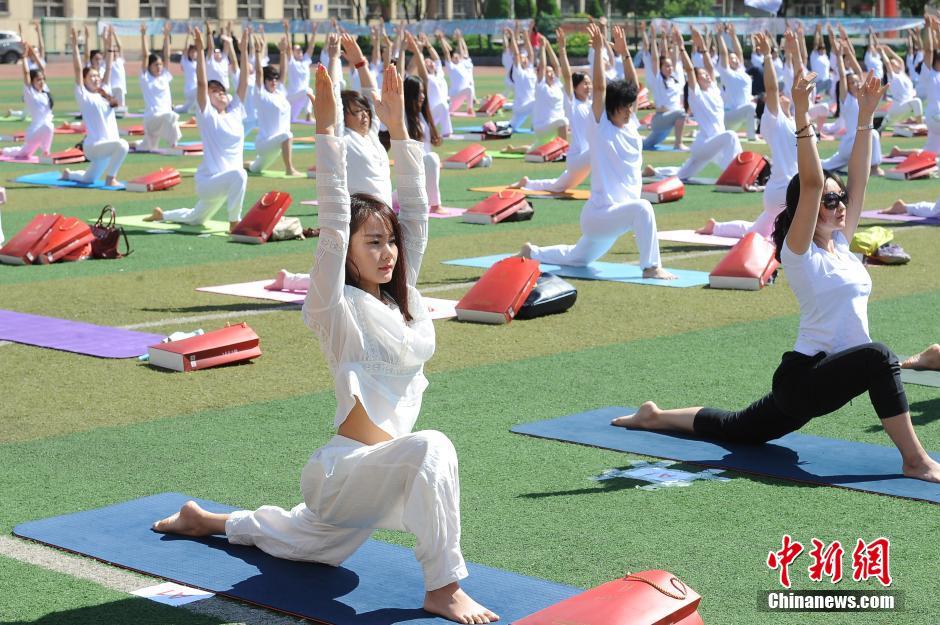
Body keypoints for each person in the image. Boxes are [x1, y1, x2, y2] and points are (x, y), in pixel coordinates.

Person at [154, 63, 500, 625]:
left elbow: (413, 209)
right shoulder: (332, 308)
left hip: (384, 473)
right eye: (374, 243)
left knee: (305, 545)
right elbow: (337, 218)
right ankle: (444, 587)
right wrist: (326, 132)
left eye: (391, 243)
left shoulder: (402, 293)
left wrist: (402, 128)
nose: (388, 252)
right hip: (347, 472)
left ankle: (206, 519)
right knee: (435, 445)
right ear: (347, 251)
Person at [612, 69, 940, 485]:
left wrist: (865, 118)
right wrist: (800, 114)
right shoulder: (799, 253)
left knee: (735, 428)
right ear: (807, 208)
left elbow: (859, 176)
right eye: (830, 200)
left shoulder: (841, 244)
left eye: (842, 200)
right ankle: (915, 460)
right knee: (879, 357)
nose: (841, 205)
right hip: (803, 379)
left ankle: (654, 415)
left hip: (826, 378)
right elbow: (813, 181)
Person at [520, 25, 675, 281]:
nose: (628, 111)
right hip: (601, 214)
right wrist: (599, 50)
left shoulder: (631, 125)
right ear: (611, 108)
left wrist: (625, 54)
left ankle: (532, 250)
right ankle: (651, 267)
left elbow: (633, 87)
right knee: (644, 208)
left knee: (578, 259)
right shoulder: (601, 127)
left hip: (613, 217)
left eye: (629, 107)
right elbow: (601, 90)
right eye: (623, 107)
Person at [144, 28, 249, 232]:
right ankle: (235, 222)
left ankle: (162, 214)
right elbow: (201, 84)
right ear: (207, 98)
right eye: (215, 92)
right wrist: (200, 49)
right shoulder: (208, 115)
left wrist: (243, 51)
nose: (220, 94)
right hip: (209, 183)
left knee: (195, 218)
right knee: (241, 175)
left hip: (224, 183)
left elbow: (244, 82)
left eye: (222, 91)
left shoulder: (236, 112)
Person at [696, 31, 798, 239]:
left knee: (757, 232)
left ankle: (715, 227)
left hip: (784, 191)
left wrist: (793, 51)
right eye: (778, 96)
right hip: (786, 191)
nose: (782, 95)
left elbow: (799, 81)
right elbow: (771, 87)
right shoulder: (774, 121)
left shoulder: (796, 121)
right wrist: (768, 56)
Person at [647, 26, 742, 183]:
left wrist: (704, 47)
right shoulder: (696, 94)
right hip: (705, 145)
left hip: (715, 144)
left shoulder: (714, 90)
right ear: (696, 81)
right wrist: (682, 48)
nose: (708, 76)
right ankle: (738, 175)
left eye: (707, 74)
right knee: (731, 136)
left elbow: (710, 67)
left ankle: (655, 171)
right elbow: (690, 70)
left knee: (682, 175)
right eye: (703, 75)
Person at [509, 27, 592, 194]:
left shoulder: (591, 103)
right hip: (578, 155)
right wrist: (560, 49)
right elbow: (566, 75)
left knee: (559, 186)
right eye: (585, 84)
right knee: (601, 150)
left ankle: (528, 182)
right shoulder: (572, 102)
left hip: (583, 157)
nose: (588, 86)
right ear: (574, 88)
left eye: (589, 83)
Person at [60, 27, 127, 188]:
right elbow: (77, 69)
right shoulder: (83, 95)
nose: (96, 78)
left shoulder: (105, 92)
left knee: (88, 179)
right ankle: (111, 179)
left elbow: (109, 67)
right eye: (92, 76)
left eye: (97, 75)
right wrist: (75, 46)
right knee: (123, 145)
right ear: (84, 79)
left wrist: (109, 44)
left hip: (106, 147)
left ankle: (68, 174)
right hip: (94, 147)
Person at [820, 38, 883, 177]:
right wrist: (838, 56)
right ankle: (874, 169)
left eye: (856, 81)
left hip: (859, 141)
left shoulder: (863, 97)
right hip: (850, 144)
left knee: (825, 165)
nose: (855, 84)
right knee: (873, 133)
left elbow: (859, 71)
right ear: (847, 86)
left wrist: (848, 50)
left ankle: (810, 163)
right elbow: (843, 76)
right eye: (852, 83)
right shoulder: (847, 99)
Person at [399, 32, 443, 215]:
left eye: (423, 93)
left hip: (423, 178)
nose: (423, 96)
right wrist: (401, 50)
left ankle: (433, 202)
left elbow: (424, 78)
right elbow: (399, 79)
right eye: (419, 93)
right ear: (410, 96)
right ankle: (436, 205)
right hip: (411, 178)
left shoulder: (425, 113)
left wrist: (417, 49)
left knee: (432, 159)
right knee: (432, 158)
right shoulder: (402, 115)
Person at [248, 31, 300, 176]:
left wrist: (283, 52)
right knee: (287, 135)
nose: (274, 81)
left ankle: (241, 164)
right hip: (265, 143)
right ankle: (290, 169)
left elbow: (283, 71)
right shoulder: (261, 95)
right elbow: (258, 73)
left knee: (255, 168)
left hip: (276, 145)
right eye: (270, 79)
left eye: (275, 79)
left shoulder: (280, 92)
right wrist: (258, 52)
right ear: (264, 81)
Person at [2, 43, 53, 160]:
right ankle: (46, 152)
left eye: (42, 80)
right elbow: (26, 74)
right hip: (34, 132)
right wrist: (24, 56)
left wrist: (34, 54)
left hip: (42, 132)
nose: (41, 82)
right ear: (32, 81)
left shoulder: (45, 91)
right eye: (38, 80)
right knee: (49, 126)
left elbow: (42, 68)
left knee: (23, 153)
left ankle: (4, 150)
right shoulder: (31, 93)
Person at [136, 22, 181, 153]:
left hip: (163, 118)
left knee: (146, 148)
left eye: (160, 65)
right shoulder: (146, 78)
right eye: (156, 65)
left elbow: (166, 55)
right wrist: (143, 35)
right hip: (152, 118)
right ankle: (174, 145)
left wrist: (166, 36)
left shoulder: (165, 76)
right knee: (171, 116)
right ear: (149, 66)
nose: (159, 67)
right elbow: (145, 56)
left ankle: (136, 144)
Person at [642, 22, 687, 151]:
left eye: (670, 66)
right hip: (660, 119)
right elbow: (656, 58)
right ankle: (678, 143)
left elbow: (674, 55)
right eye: (666, 66)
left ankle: (637, 139)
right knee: (681, 113)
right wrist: (654, 37)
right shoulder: (657, 80)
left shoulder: (676, 80)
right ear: (660, 68)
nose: (670, 68)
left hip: (669, 120)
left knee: (647, 145)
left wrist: (677, 40)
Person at [716, 23, 756, 141]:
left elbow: (739, 52)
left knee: (752, 107)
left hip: (739, 115)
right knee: (750, 107)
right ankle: (752, 137)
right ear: (727, 62)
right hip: (729, 116)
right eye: (732, 58)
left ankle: (756, 132)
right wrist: (720, 36)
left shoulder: (741, 70)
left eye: (736, 58)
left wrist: (733, 35)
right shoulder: (726, 72)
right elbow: (723, 53)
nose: (736, 59)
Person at [529, 33, 567, 144]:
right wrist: (542, 47)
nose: (550, 74)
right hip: (543, 126)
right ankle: (563, 150)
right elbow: (543, 66)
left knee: (537, 148)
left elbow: (556, 65)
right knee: (563, 121)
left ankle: (513, 149)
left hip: (553, 127)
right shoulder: (541, 86)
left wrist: (548, 45)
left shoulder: (556, 85)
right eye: (547, 72)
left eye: (551, 72)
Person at [879, 44, 923, 132]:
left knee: (918, 106)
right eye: (893, 63)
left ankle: (916, 124)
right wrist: (882, 52)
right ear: (891, 67)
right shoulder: (892, 76)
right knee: (917, 101)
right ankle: (920, 127)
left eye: (896, 62)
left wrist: (890, 51)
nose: (897, 63)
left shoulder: (902, 73)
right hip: (898, 107)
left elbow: (900, 60)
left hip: (907, 106)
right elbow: (887, 63)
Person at [505, 26, 536, 131]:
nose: (525, 60)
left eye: (526, 59)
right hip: (521, 107)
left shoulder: (530, 69)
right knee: (537, 102)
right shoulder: (518, 72)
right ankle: (534, 126)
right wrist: (513, 36)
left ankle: (506, 125)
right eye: (522, 59)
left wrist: (527, 36)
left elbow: (531, 53)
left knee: (511, 127)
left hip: (527, 107)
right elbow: (516, 53)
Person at [284, 19, 314, 122]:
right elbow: (288, 47)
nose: (300, 50)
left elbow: (311, 47)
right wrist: (287, 31)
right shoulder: (292, 62)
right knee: (309, 90)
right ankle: (308, 114)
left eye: (300, 49)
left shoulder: (306, 61)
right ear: (293, 52)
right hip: (292, 96)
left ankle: (306, 113)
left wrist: (314, 32)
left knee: (291, 120)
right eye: (296, 49)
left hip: (301, 98)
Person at [439, 29, 475, 115]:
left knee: (448, 112)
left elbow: (462, 51)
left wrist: (459, 38)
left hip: (459, 99)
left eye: (457, 56)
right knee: (469, 89)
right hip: (455, 95)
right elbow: (447, 52)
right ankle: (470, 109)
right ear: (451, 59)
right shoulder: (451, 66)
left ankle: (468, 109)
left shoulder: (462, 64)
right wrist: (441, 39)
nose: (457, 57)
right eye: (454, 57)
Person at [175, 27, 199, 115]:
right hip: (190, 90)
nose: (194, 54)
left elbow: (199, 48)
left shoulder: (197, 62)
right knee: (204, 88)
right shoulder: (185, 61)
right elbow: (185, 48)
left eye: (195, 52)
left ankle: (174, 108)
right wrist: (188, 35)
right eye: (192, 52)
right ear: (188, 53)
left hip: (195, 91)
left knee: (185, 109)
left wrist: (195, 36)